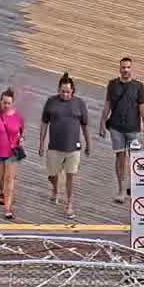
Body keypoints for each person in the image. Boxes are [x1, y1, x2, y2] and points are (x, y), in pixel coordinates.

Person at [39, 74, 90, 219]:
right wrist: (41, 143)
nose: (65, 94)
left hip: (73, 148)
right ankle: (55, 189)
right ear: (58, 90)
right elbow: (44, 123)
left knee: (70, 176)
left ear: (73, 91)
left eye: (68, 92)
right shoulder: (51, 102)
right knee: (52, 175)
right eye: (62, 91)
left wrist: (88, 144)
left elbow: (85, 125)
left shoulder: (79, 103)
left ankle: (69, 204)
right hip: (54, 147)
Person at [102, 57, 144, 203]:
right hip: (116, 127)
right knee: (120, 158)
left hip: (133, 128)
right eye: (123, 67)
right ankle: (122, 190)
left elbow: (143, 109)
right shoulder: (112, 85)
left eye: (128, 67)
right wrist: (101, 123)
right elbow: (107, 105)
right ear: (119, 69)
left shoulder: (138, 87)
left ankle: (136, 187)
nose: (125, 70)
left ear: (132, 69)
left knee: (135, 159)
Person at [0, 89, 25, 219]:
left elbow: (20, 132)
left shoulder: (17, 117)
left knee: (9, 180)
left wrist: (21, 139)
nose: (6, 105)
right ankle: (3, 192)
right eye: (4, 102)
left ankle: (8, 208)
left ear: (12, 103)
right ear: (0, 102)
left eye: (8, 103)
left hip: (11, 152)